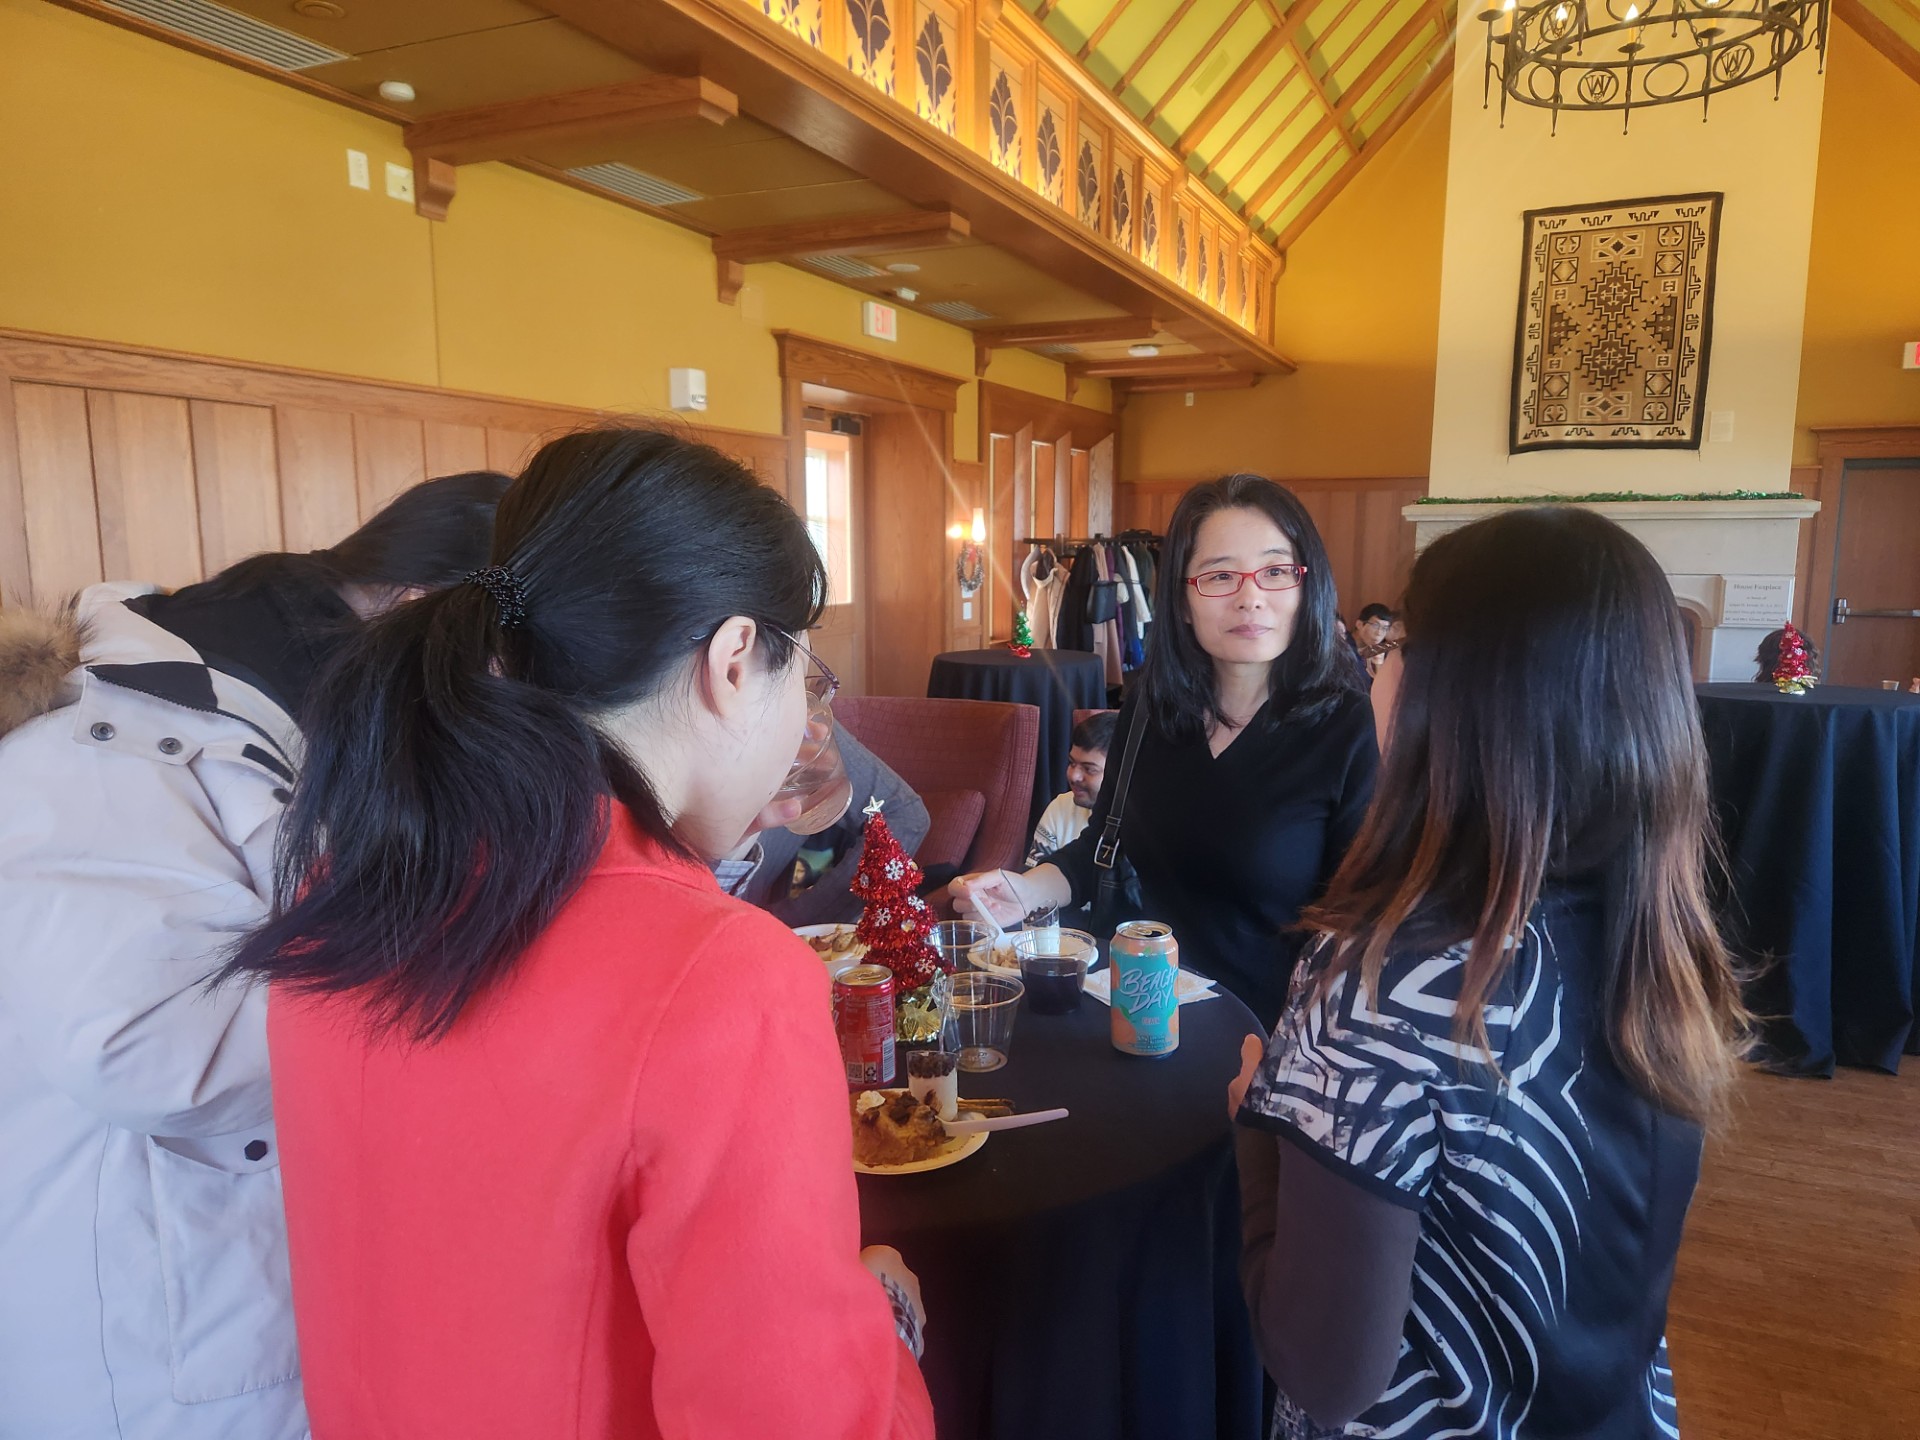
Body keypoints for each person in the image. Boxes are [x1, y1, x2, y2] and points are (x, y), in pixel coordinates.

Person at [222, 428, 935, 1440]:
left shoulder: (347, 893)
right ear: (734, 660)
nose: (804, 723)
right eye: (804, 674)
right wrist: (883, 1315)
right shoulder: (720, 975)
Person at [0, 471, 508, 1440]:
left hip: (242, 1312)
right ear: (423, 608)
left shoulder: (272, 713)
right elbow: (149, 1043)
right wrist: (477, 956)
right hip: (156, 1354)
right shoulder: (100, 741)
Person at [1229, 505, 1749, 1438]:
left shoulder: (1384, 984)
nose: (1379, 662)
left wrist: (1258, 1133)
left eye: (1398, 643)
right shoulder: (1662, 939)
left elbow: (1324, 1368)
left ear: (1460, 701)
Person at [954, 473, 1378, 1028]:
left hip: (1265, 1034)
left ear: (1307, 584)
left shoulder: (1343, 724)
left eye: (1275, 571)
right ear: (1181, 599)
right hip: (1134, 1011)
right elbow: (1102, 845)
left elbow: (1357, 922)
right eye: (1220, 576)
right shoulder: (1151, 707)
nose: (1251, 597)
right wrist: (1024, 888)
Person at [725, 720, 931, 926]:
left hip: (760, 939)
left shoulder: (799, 718)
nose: (821, 729)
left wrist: (796, 923)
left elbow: (903, 816)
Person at [1026, 710, 1116, 867]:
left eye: (1089, 769)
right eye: (1072, 763)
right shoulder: (1061, 807)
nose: (1074, 776)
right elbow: (1035, 876)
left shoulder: (1144, 827)